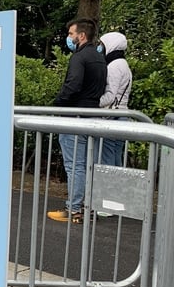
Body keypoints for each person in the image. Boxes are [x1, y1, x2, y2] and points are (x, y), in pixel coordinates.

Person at [47, 18, 107, 224]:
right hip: (92, 115)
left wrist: (58, 103)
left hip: (75, 117)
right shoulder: (99, 58)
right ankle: (86, 207)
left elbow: (72, 85)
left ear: (81, 36)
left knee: (74, 165)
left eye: (71, 34)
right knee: (87, 164)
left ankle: (74, 209)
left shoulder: (79, 57)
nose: (69, 38)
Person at [98, 32, 133, 166]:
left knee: (107, 155)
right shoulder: (124, 64)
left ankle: (108, 186)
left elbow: (110, 95)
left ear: (110, 45)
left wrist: (94, 103)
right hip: (122, 115)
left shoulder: (114, 66)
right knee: (116, 153)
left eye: (102, 44)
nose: (100, 48)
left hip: (113, 117)